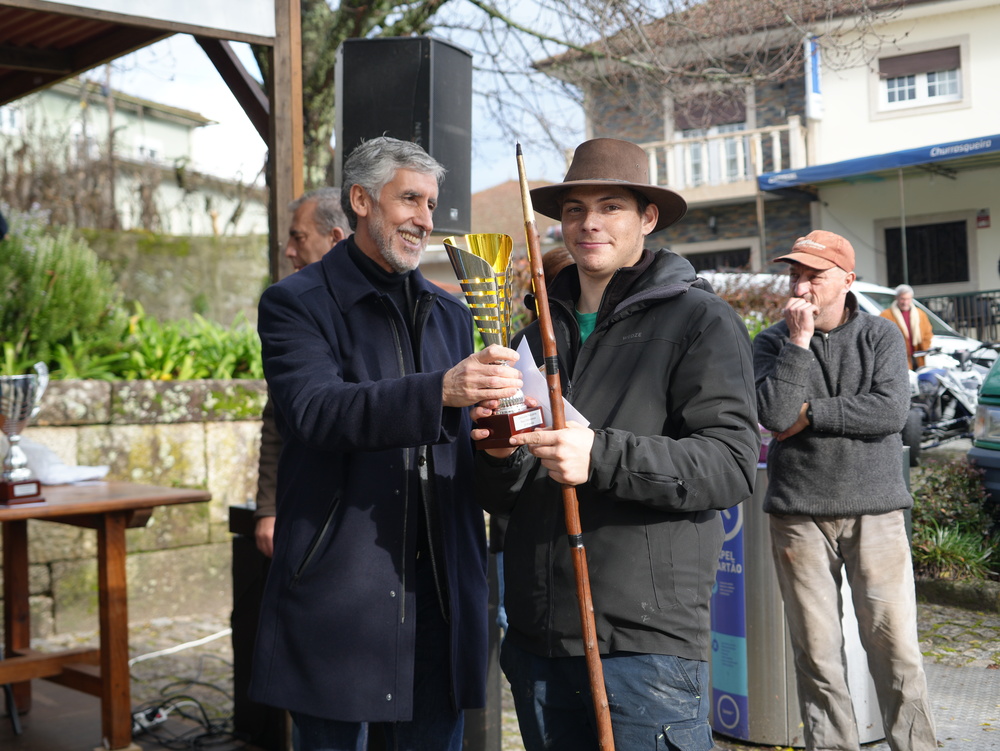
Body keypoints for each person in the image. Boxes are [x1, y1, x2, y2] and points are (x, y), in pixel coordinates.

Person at [475, 138, 760, 750]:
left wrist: (598, 454)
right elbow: (510, 492)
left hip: (642, 646)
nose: (590, 223)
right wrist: (498, 458)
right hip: (538, 641)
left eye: (610, 207)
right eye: (575, 210)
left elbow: (732, 465)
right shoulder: (533, 336)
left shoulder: (700, 321)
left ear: (647, 218)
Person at [249, 136, 524, 751]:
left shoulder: (455, 314)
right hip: (343, 587)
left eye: (430, 203)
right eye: (409, 200)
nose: (425, 219)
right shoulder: (295, 303)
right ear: (361, 201)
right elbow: (315, 411)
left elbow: (467, 443)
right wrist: (441, 391)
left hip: (444, 587)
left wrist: (502, 441)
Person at [753, 231, 936, 751]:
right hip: (798, 514)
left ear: (847, 281)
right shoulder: (773, 341)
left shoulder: (879, 335)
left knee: (896, 647)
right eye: (795, 274)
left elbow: (889, 412)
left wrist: (813, 414)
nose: (802, 285)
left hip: (876, 511)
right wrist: (798, 344)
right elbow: (773, 415)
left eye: (815, 274)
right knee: (816, 652)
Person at [254, 187, 350, 557]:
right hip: (309, 516)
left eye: (299, 237)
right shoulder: (289, 310)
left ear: (335, 238)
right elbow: (277, 418)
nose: (289, 251)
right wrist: (267, 509)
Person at [880, 283, 933, 370]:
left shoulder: (920, 314)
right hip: (899, 359)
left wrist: (925, 348)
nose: (905, 302)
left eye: (908, 299)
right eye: (902, 299)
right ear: (896, 298)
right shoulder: (886, 315)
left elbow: (928, 333)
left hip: (919, 357)